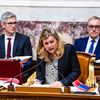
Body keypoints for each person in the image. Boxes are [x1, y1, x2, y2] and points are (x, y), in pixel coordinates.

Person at [0, 11, 33, 82]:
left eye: (15, 23)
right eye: (10, 23)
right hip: (1, 74)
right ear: (3, 24)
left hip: (19, 74)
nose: (13, 26)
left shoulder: (24, 39)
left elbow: (29, 61)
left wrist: (21, 65)